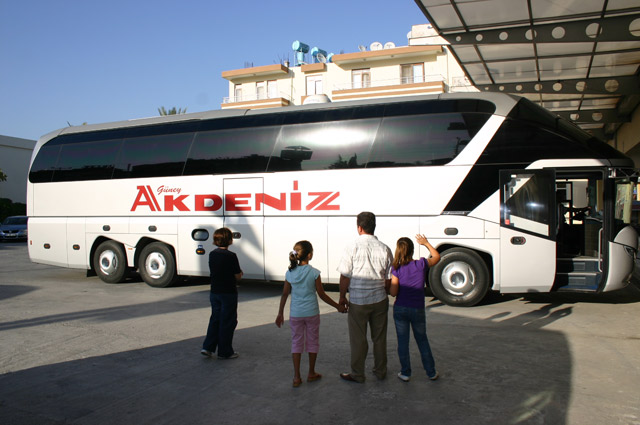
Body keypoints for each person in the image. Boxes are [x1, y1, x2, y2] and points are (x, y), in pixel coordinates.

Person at [276, 241, 345, 387]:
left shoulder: (289, 273)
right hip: (312, 313)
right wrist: (337, 306)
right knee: (313, 341)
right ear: (310, 255)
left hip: (295, 314)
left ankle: (296, 377)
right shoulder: (314, 273)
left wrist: (280, 313)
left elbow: (284, 294)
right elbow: (322, 294)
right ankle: (311, 373)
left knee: (296, 343)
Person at [337, 211, 393, 383]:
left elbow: (345, 276)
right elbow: (388, 279)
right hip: (379, 300)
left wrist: (342, 297)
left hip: (358, 301)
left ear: (359, 228)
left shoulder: (351, 247)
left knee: (358, 339)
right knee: (379, 338)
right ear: (374, 227)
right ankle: (380, 371)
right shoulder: (385, 249)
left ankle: (358, 374)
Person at [390, 234, 441, 382]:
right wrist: (426, 243)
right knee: (422, 340)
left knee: (403, 342)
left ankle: (405, 373)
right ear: (412, 250)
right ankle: (431, 372)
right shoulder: (421, 264)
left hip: (400, 308)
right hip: (417, 309)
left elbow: (393, 292)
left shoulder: (396, 268)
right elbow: (437, 257)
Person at [201, 227, 243, 359]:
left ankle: (208, 347)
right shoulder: (231, 256)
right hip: (228, 292)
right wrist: (240, 273)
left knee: (215, 318)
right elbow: (237, 275)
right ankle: (225, 351)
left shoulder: (212, 254)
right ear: (229, 240)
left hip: (215, 291)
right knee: (228, 321)